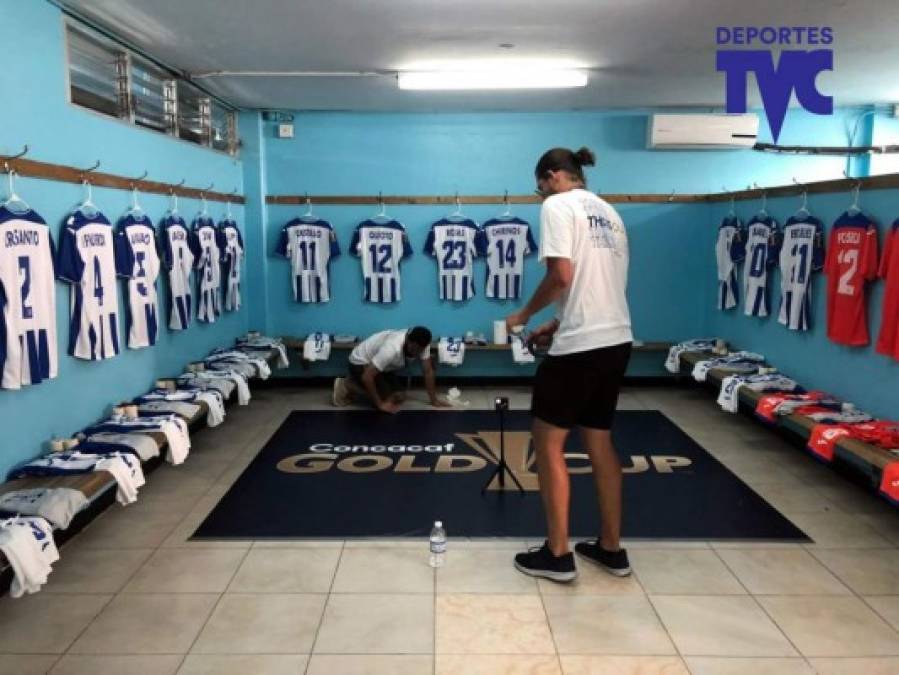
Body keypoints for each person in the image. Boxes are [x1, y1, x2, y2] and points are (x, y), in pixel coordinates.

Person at [506, 146, 633, 582]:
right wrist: (557, 323)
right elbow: (602, 287)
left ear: (554, 176)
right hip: (616, 338)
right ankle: (611, 549)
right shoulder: (610, 214)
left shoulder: (558, 206)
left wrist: (525, 316)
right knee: (599, 442)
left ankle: (558, 555)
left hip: (581, 348)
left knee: (547, 442)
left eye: (539, 187)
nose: (540, 195)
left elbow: (562, 276)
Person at [332, 326, 450, 414]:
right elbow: (367, 376)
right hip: (360, 362)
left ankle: (357, 388)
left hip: (382, 368)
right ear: (408, 340)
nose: (416, 353)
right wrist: (380, 404)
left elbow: (428, 371)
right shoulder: (391, 348)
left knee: (399, 396)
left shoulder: (422, 344)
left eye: (420, 350)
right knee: (384, 399)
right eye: (414, 349)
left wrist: (434, 400)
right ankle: (347, 385)